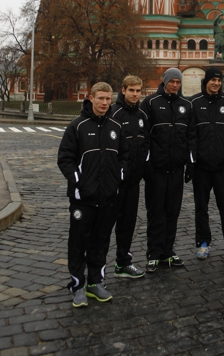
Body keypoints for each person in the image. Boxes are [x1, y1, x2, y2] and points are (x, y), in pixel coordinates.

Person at [57, 82, 128, 308]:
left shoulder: (116, 126)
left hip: (107, 197)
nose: (105, 103)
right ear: (91, 98)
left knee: (101, 241)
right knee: (78, 242)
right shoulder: (77, 126)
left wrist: (117, 178)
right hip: (82, 198)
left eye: (108, 99)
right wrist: (79, 181)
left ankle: (96, 282)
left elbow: (124, 157)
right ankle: (77, 285)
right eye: (101, 98)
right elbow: (65, 158)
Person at [190, 67, 224, 259]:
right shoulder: (194, 102)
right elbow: (191, 133)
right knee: (201, 207)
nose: (216, 83)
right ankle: (203, 243)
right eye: (213, 80)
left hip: (222, 165)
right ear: (206, 81)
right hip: (201, 167)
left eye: (219, 80)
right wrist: (194, 156)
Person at [141, 68, 194, 272]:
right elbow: (145, 135)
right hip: (156, 168)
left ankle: (168, 251)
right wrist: (147, 164)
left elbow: (190, 136)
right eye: (171, 81)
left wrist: (190, 163)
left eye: (178, 82)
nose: (174, 85)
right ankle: (153, 253)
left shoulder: (186, 105)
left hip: (176, 169)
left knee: (172, 211)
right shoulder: (151, 103)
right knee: (156, 212)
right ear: (164, 82)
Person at [110, 75, 150, 279]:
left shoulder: (141, 115)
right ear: (123, 90)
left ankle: (122, 263)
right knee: (104, 226)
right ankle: (93, 271)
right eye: (131, 90)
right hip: (113, 182)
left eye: (138, 91)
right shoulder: (113, 112)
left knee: (127, 224)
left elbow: (145, 144)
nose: (135, 94)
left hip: (133, 180)